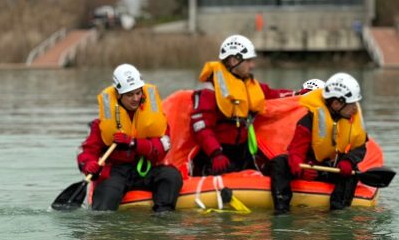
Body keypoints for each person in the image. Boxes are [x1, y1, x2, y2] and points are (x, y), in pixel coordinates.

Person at [76, 64, 183, 211]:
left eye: (138, 93)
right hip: (115, 173)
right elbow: (87, 151)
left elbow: (162, 147)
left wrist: (134, 143)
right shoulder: (101, 123)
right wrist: (88, 165)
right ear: (118, 95)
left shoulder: (156, 118)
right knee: (106, 197)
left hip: (145, 169)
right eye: (129, 95)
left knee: (171, 176)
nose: (135, 99)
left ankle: (163, 216)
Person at [189, 34, 292, 176]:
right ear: (233, 60)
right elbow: (201, 127)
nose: (252, 65)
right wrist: (215, 154)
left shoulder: (247, 84)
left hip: (243, 152)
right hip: (217, 155)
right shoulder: (210, 90)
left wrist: (301, 93)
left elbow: (274, 94)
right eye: (248, 61)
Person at [268, 72, 369, 213]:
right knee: (279, 162)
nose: (355, 108)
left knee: (352, 172)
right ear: (336, 103)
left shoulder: (353, 118)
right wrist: (301, 166)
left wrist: (348, 161)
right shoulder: (310, 119)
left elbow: (360, 147)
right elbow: (297, 148)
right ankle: (281, 209)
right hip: (309, 166)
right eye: (351, 104)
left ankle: (338, 211)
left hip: (332, 167)